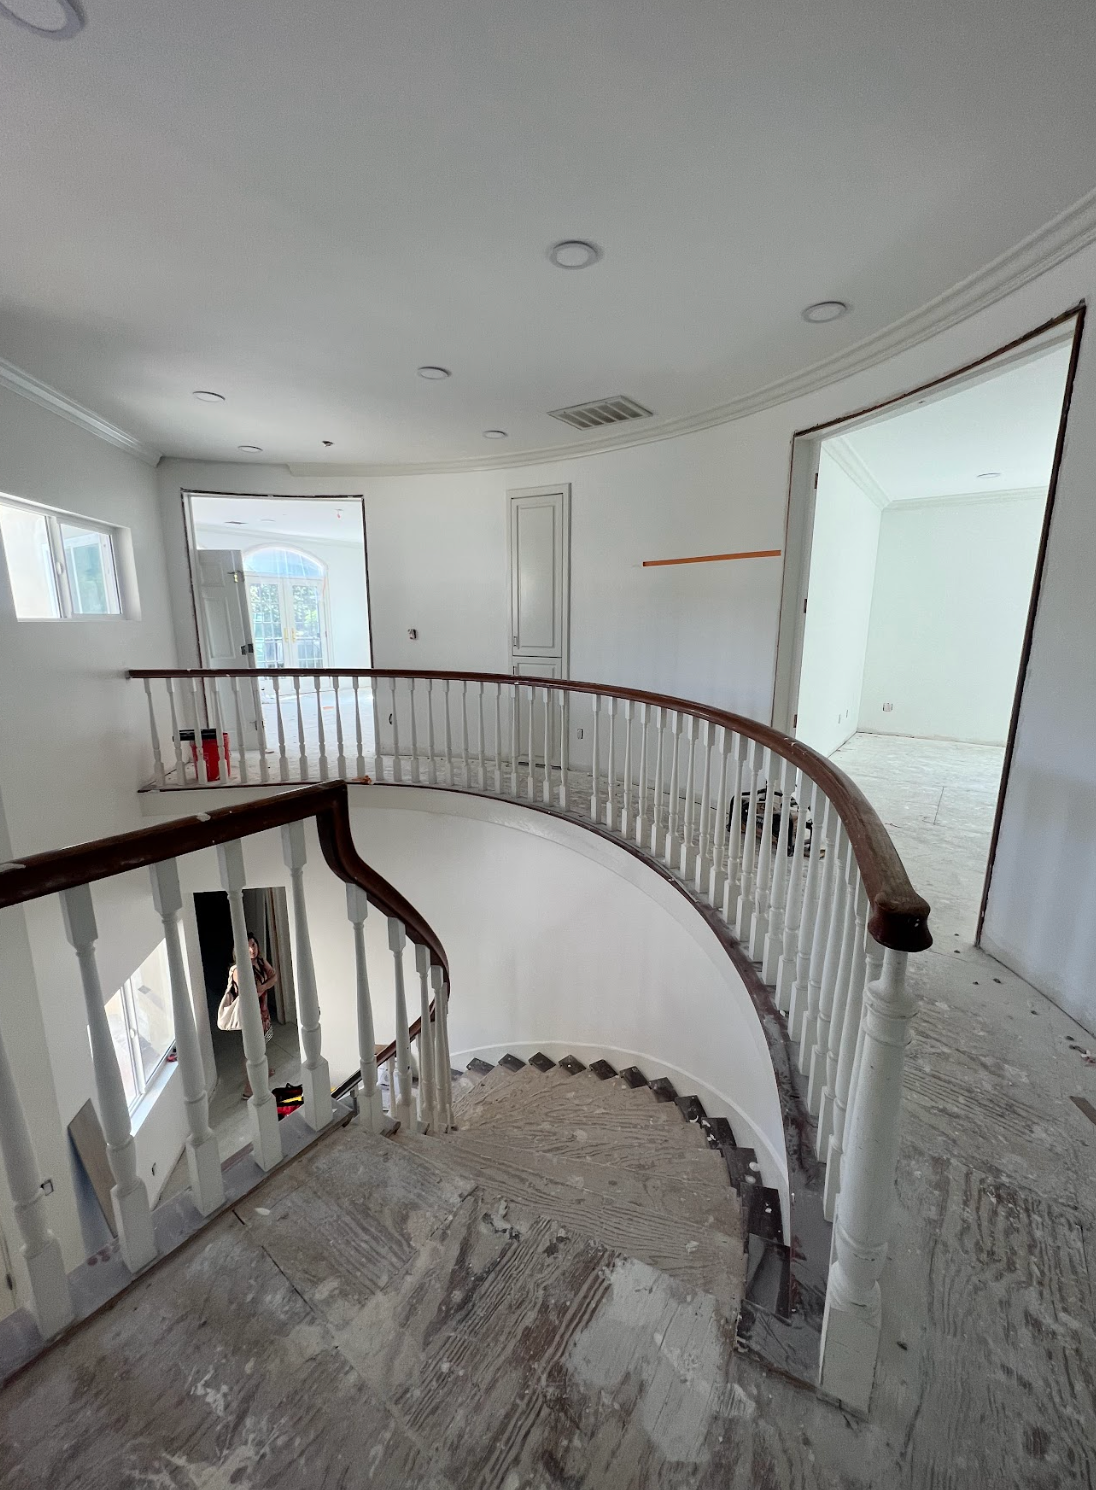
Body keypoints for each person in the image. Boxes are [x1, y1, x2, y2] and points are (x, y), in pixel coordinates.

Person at [225, 932, 278, 1098]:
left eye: (253, 945)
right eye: (247, 947)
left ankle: (263, 1070)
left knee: (262, 1042)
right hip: (250, 1015)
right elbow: (249, 992)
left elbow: (274, 977)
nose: (251, 950)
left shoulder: (260, 962)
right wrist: (263, 987)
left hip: (262, 1011)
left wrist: (262, 987)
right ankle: (249, 1088)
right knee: (251, 1050)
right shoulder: (239, 969)